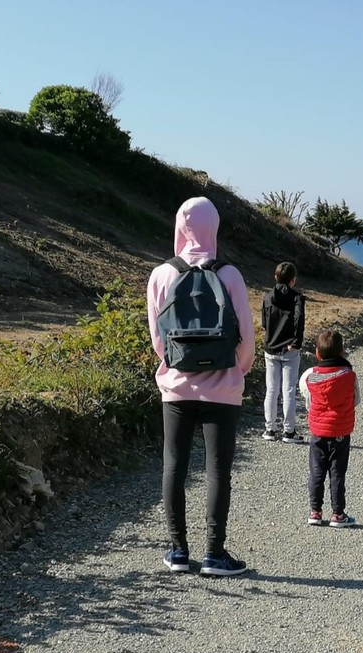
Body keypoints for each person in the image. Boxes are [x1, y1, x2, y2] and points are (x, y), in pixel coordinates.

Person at [146, 197, 255, 576]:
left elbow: (158, 339)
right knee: (217, 470)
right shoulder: (230, 275)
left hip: (176, 387)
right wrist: (234, 372)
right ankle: (214, 553)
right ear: (215, 227)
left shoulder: (162, 273)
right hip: (223, 388)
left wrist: (177, 365)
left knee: (173, 465)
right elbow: (246, 339)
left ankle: (177, 550)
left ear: (179, 226)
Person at [299, 330, 361, 528]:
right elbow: (356, 400)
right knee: (337, 473)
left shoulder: (310, 376)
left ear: (317, 353)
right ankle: (338, 514)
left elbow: (308, 402)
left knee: (316, 471)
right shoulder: (349, 375)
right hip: (340, 431)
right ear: (342, 352)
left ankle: (315, 511)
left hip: (317, 431)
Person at [261, 261, 306, 444]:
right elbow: (299, 320)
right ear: (293, 280)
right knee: (288, 390)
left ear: (275, 277)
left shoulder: (267, 296)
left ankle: (269, 429)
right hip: (290, 349)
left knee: (271, 389)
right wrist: (296, 341)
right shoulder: (297, 298)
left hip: (270, 347)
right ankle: (289, 431)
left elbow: (264, 322)